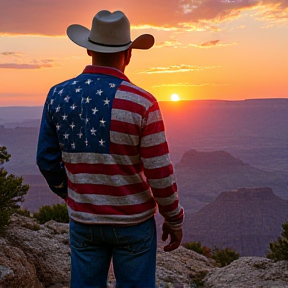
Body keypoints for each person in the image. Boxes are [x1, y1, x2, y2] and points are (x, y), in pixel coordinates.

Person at [37, 10, 184, 288]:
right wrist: (173, 218)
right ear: (129, 54)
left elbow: (45, 159)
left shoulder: (58, 95)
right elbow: (159, 172)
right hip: (134, 222)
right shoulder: (143, 102)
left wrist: (71, 193)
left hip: (83, 221)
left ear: (89, 50)